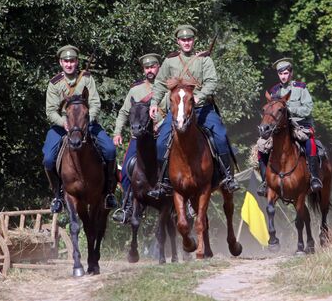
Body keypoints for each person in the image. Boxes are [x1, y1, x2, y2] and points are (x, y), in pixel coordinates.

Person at [147, 24, 240, 199]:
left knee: (220, 136)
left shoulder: (204, 59)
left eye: (189, 39)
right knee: (160, 142)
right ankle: (164, 182)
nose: (186, 42)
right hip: (178, 111)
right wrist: (154, 103)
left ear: (193, 40)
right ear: (178, 42)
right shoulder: (170, 61)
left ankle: (227, 177)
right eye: (183, 40)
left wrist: (200, 96)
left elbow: (212, 81)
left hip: (202, 108)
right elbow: (159, 83)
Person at [42, 45, 118, 213]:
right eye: (66, 61)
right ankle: (58, 195)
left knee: (110, 150)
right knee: (48, 159)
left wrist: (87, 120)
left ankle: (108, 191)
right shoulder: (55, 84)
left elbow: (95, 103)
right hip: (63, 126)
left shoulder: (86, 78)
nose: (69, 64)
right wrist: (64, 123)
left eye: (72, 61)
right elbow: (50, 111)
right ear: (61, 63)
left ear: (77, 62)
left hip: (86, 124)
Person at [111, 53, 167, 223]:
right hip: (141, 137)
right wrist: (117, 132)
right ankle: (127, 206)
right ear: (144, 70)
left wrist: (162, 123)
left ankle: (183, 200)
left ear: (159, 67)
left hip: (162, 133)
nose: (150, 70)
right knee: (128, 167)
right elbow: (124, 112)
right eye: (147, 68)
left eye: (153, 66)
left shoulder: (168, 86)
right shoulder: (136, 90)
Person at [257, 57, 322, 196]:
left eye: (286, 73)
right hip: (280, 128)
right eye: (281, 74)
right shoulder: (274, 90)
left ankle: (314, 178)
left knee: (310, 143)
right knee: (261, 146)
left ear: (291, 73)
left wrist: (290, 109)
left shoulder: (300, 88)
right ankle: (265, 182)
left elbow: (308, 109)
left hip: (300, 125)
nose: (283, 76)